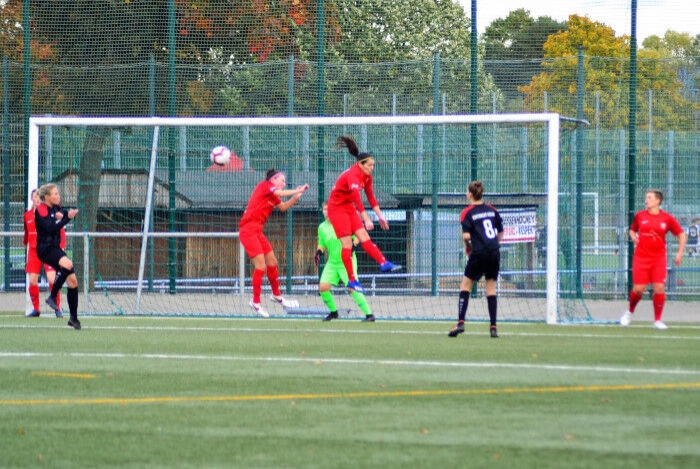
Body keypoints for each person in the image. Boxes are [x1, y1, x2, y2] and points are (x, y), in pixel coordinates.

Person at [328, 135, 401, 294]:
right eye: (370, 165)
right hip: (337, 209)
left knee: (364, 237)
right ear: (361, 164)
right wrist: (366, 218)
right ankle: (352, 280)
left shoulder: (367, 176)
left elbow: (370, 196)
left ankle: (383, 263)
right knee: (347, 244)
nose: (372, 167)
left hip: (348, 208)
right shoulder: (353, 175)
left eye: (373, 165)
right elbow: (356, 198)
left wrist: (380, 216)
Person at [239, 168, 309, 317]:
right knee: (261, 266)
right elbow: (280, 193)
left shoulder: (273, 194)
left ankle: (277, 295)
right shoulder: (264, 185)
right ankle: (255, 302)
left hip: (257, 231)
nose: (284, 183)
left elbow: (283, 207)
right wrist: (297, 190)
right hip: (248, 230)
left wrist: (296, 197)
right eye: (282, 180)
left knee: (272, 262)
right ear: (273, 180)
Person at [620, 189, 686, 330]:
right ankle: (629, 312)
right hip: (641, 258)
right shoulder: (640, 216)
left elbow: (681, 234)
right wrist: (632, 236)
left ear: (658, 201)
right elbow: (632, 229)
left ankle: (657, 320)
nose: (646, 200)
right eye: (645, 197)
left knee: (659, 287)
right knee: (638, 289)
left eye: (649, 197)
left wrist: (679, 253)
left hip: (658, 258)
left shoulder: (667, 218)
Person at [448, 181, 504, 339]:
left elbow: (466, 236)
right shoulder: (492, 209)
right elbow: (500, 232)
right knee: (491, 288)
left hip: (479, 253)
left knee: (466, 286)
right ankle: (493, 327)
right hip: (494, 252)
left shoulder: (467, 212)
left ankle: (460, 322)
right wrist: (493, 245)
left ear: (470, 194)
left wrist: (468, 246)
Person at [316, 201, 375, 322]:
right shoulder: (322, 227)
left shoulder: (344, 222)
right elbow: (322, 243)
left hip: (346, 261)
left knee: (352, 288)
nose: (327, 212)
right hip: (332, 263)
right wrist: (319, 252)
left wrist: (354, 244)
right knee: (323, 287)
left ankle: (369, 315)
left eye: (329, 209)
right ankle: (333, 312)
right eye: (325, 209)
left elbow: (359, 234)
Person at [34, 183, 81, 330]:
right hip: (45, 249)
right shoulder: (41, 209)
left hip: (55, 248)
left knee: (73, 282)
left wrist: (69, 214)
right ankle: (53, 296)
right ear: (46, 197)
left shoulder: (55, 207)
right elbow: (50, 228)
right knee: (68, 265)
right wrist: (67, 219)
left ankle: (73, 318)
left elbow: (62, 212)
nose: (57, 195)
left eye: (58, 193)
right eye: (55, 193)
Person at [23, 189, 65, 318]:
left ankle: (57, 308)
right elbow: (27, 233)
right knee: (33, 281)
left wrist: (61, 246)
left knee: (52, 279)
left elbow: (60, 230)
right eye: (35, 197)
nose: (37, 199)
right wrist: (26, 243)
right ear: (32, 199)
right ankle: (36, 309)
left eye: (39, 197)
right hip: (34, 251)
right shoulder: (27, 215)